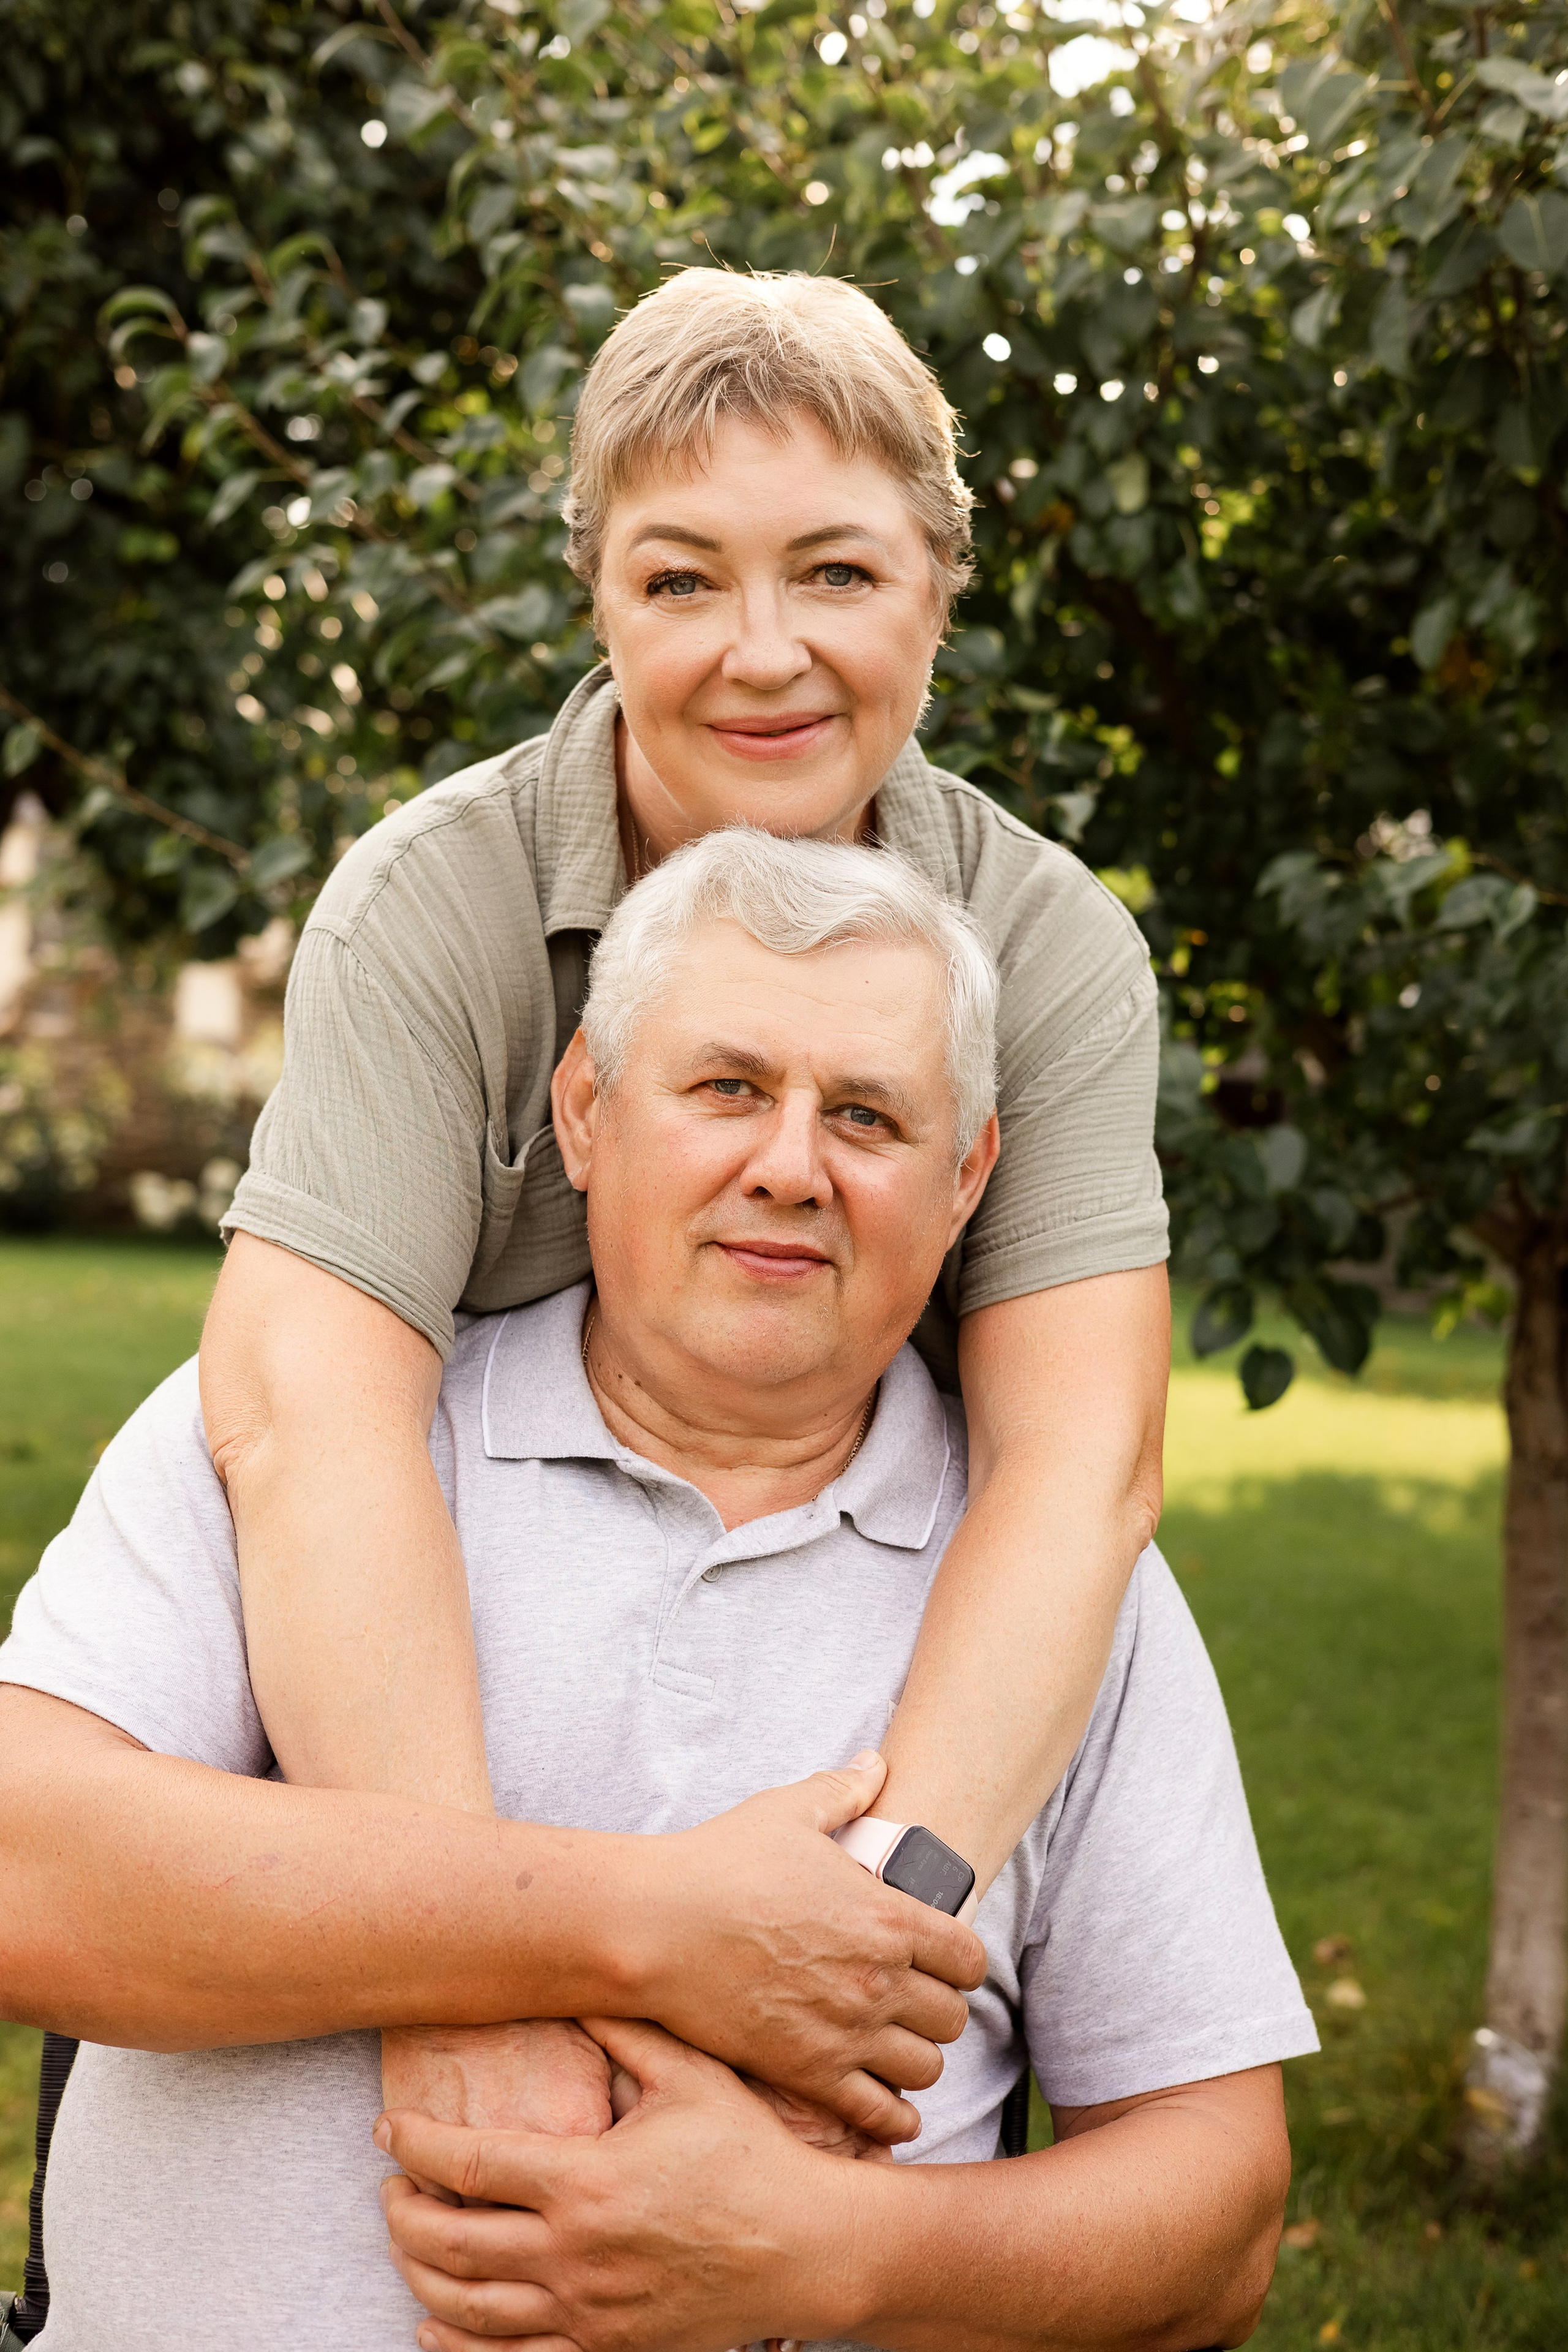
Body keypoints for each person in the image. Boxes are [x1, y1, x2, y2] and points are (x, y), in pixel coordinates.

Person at [0, 835, 1315, 2352]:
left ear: (966, 1183)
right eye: (727, 1087)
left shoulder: (1065, 1587)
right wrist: (643, 1924)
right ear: (581, 1112)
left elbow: (1217, 2222)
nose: (787, 1164)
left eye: (869, 1117)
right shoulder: (303, 1434)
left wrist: (837, 2252)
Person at [200, 268, 1172, 2127]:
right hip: (445, 1670)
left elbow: (1081, 1467)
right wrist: (465, 1986)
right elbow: (303, 1421)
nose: (761, 651)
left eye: (836, 571)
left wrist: (870, 1967)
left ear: (939, 585)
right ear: (598, 595)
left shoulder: (1047, 951)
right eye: (680, 579)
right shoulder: (435, 914)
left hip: (845, 1642)